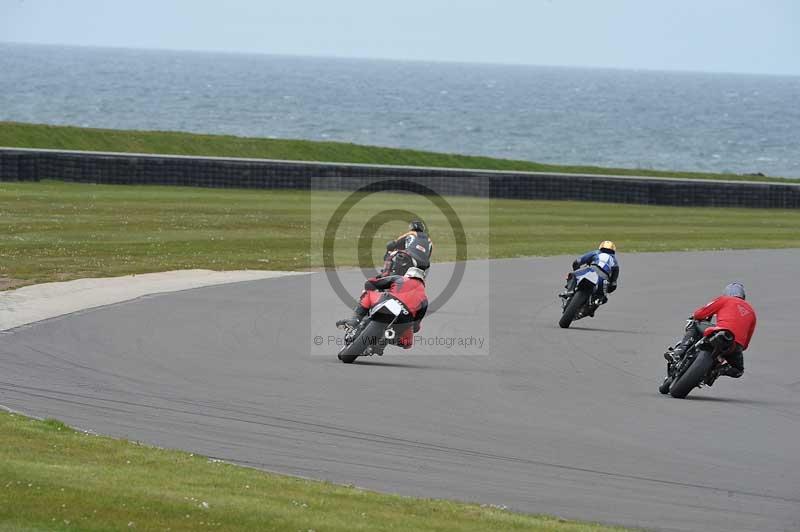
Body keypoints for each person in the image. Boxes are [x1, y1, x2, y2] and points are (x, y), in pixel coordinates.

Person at [666, 282, 757, 379]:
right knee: (738, 370)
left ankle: (679, 352)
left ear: (726, 293)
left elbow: (699, 314)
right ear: (743, 296)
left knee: (695, 323)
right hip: (735, 345)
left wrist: (696, 317)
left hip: (719, 332)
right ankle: (717, 371)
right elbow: (746, 343)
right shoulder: (752, 312)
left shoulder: (725, 300)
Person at [337, 267, 429, 350]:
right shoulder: (425, 299)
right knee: (407, 343)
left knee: (368, 295)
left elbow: (370, 283)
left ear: (408, 275)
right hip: (404, 317)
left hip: (389, 302)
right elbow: (416, 326)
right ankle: (385, 340)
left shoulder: (400, 279)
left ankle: (354, 321)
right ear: (423, 281)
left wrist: (371, 286)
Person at [563, 240, 619, 316]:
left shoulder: (596, 253)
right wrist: (609, 288)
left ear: (601, 247)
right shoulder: (615, 262)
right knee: (603, 298)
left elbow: (577, 262)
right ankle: (592, 308)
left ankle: (569, 292)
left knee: (572, 275)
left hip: (591, 270)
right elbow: (613, 283)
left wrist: (577, 270)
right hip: (603, 278)